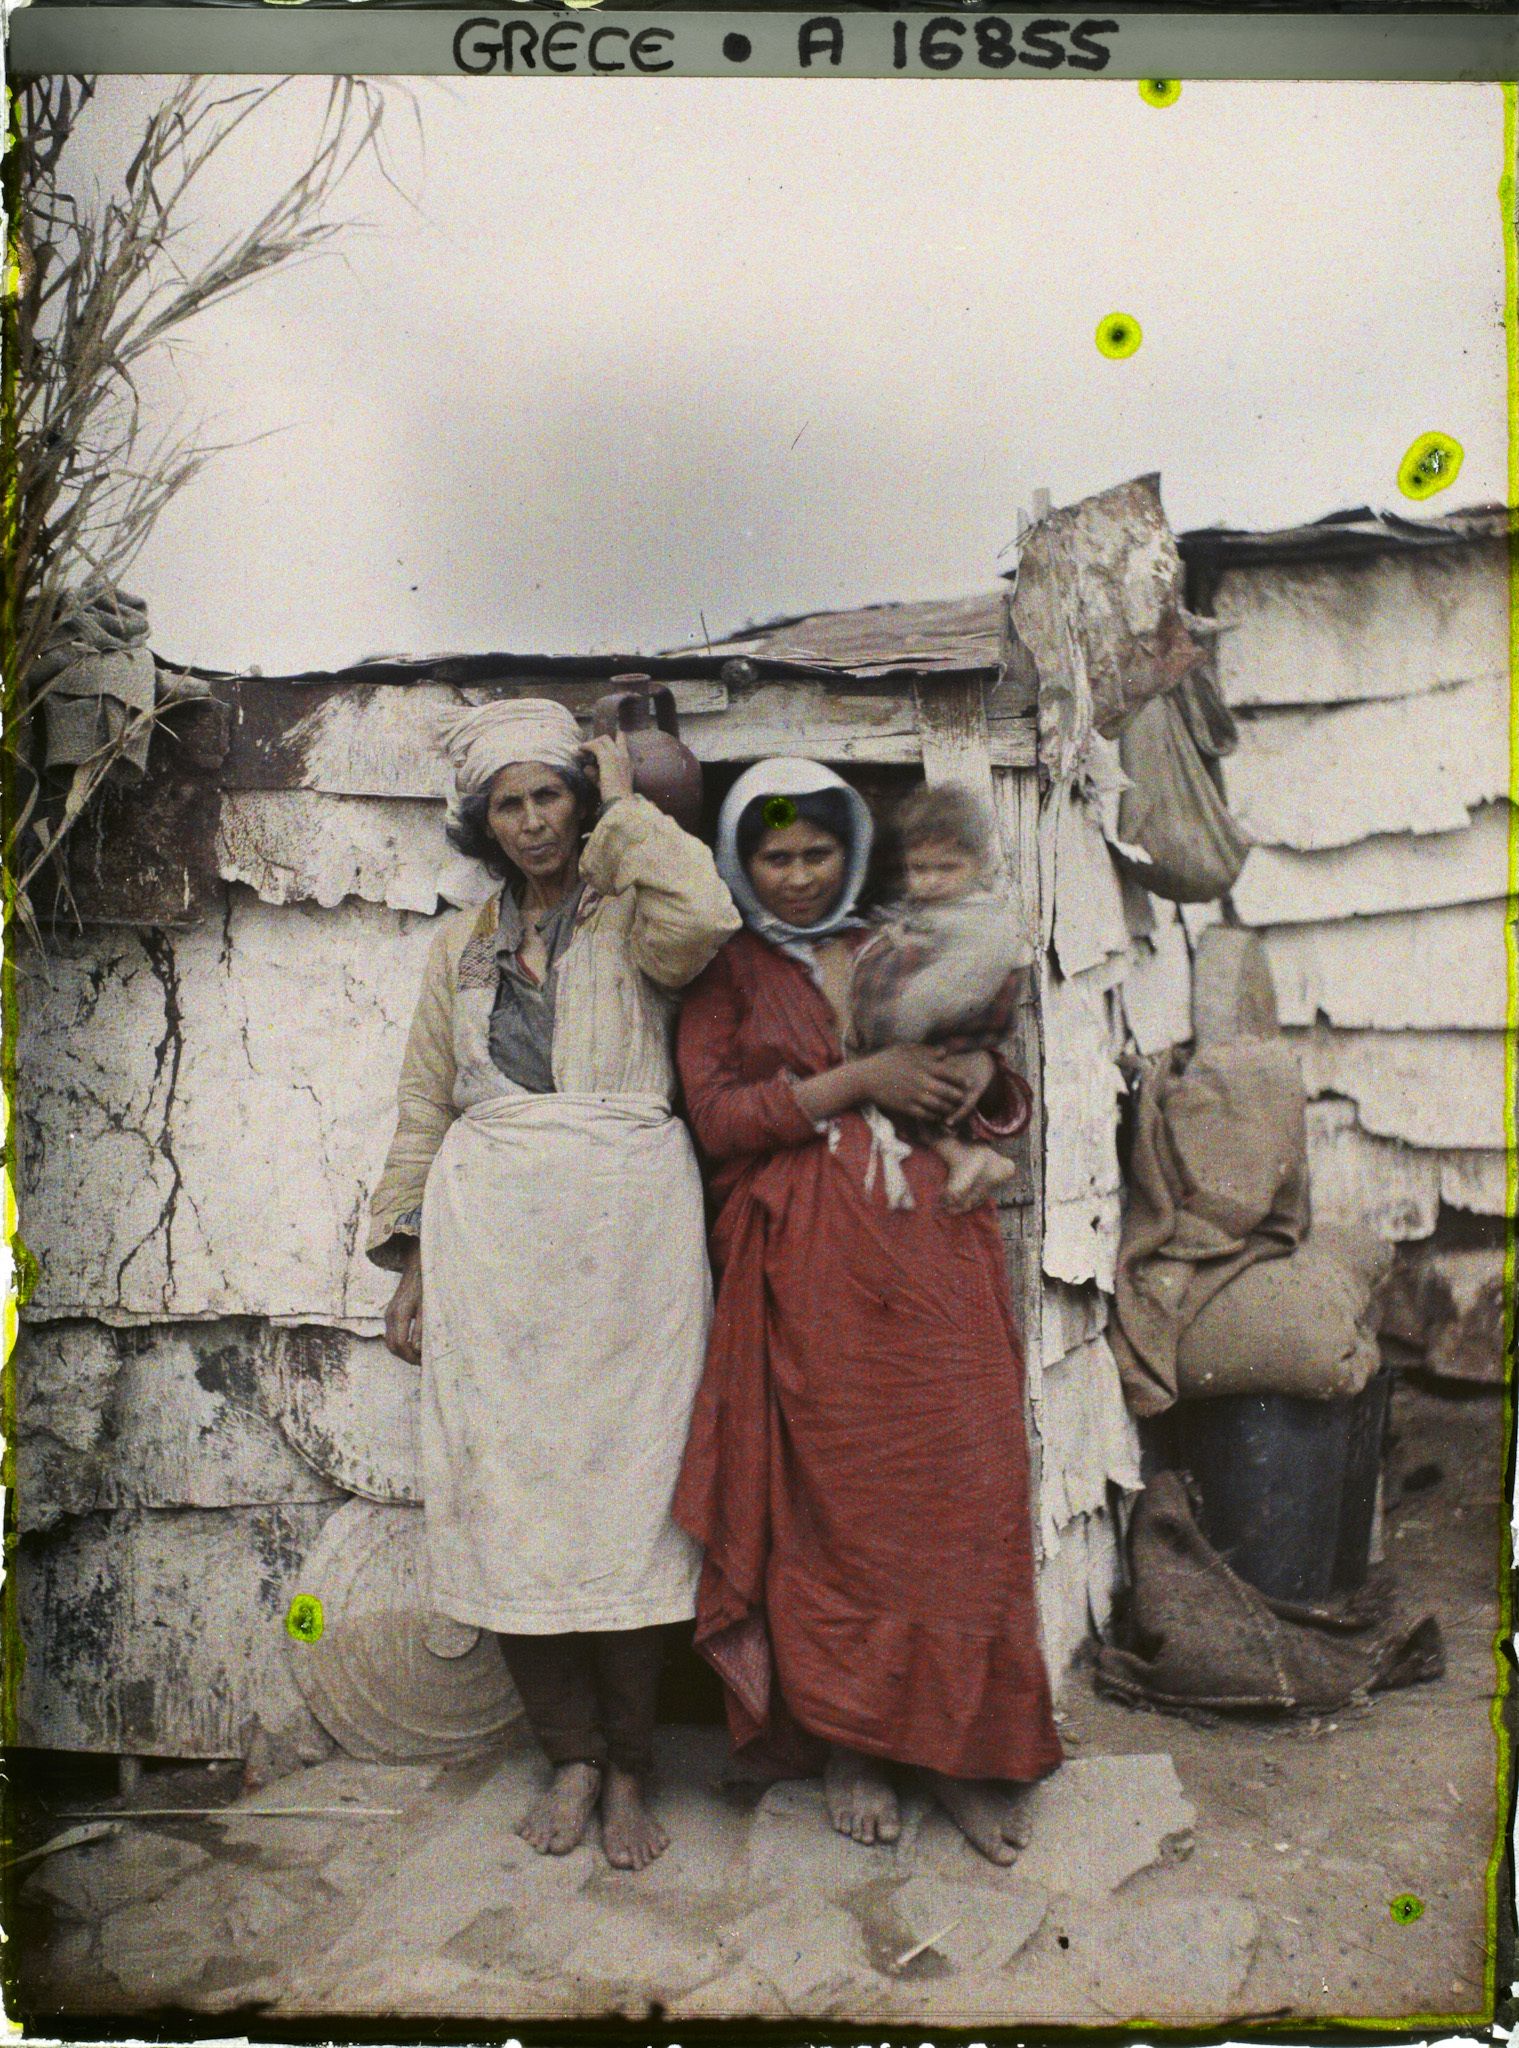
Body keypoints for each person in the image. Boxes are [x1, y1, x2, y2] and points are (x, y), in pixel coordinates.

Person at [368, 697, 741, 1871]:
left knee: (625, 1500)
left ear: (581, 801)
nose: (532, 822)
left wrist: (630, 810)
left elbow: (710, 919)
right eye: (508, 804)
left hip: (628, 1237)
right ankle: (569, 1755)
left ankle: (633, 1765)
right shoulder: (459, 944)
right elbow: (428, 1100)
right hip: (498, 1245)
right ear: (482, 821)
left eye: (551, 797)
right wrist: (414, 1258)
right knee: (514, 1498)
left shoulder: (636, 907)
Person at [672, 757, 1062, 1866]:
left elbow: (996, 1083)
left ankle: (963, 1754)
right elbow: (715, 1115)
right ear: (742, 862)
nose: (797, 876)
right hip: (817, 1274)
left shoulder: (910, 939)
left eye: (816, 851)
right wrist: (860, 1079)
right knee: (844, 1507)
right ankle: (855, 1744)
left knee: (970, 1487)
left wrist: (976, 1080)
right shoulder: (731, 972)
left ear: (853, 850)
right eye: (774, 855)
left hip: (938, 1252)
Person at [848, 782, 1034, 1214]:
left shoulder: (984, 923)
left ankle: (968, 1158)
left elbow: (947, 990)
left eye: (946, 869)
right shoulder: (939, 909)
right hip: (930, 1037)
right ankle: (967, 1157)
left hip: (942, 1036)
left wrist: (896, 1027)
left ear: (980, 864)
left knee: (921, 1107)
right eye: (919, 868)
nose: (929, 882)